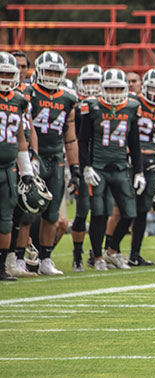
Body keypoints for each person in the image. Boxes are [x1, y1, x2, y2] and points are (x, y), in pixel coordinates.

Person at [79, 68, 146, 271]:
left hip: (120, 166)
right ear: (102, 88)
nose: (115, 93)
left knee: (130, 213)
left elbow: (134, 143)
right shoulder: (92, 106)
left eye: (118, 88)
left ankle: (112, 250)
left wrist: (139, 171)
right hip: (98, 166)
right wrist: (86, 166)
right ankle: (98, 256)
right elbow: (83, 140)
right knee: (99, 213)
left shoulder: (132, 107)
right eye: (110, 88)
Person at [30, 51, 81, 275]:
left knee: (52, 213)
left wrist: (76, 167)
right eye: (48, 71)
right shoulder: (28, 93)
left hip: (56, 158)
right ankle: (19, 256)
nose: (51, 75)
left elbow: (70, 138)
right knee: (25, 211)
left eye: (55, 72)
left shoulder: (68, 98)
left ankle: (45, 258)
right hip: (34, 157)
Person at [126, 68, 155, 266]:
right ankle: (107, 251)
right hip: (131, 158)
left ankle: (135, 253)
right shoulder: (133, 103)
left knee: (143, 209)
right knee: (125, 209)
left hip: (151, 161)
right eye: (151, 88)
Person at [0, 52, 35, 281]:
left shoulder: (19, 99)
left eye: (8, 74)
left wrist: (28, 171)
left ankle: (2, 265)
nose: (5, 77)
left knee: (6, 219)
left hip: (9, 167)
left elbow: (21, 138)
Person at [70, 63, 104, 272]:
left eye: (95, 82)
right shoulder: (74, 107)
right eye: (87, 82)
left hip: (102, 164)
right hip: (83, 165)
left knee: (101, 211)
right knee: (82, 211)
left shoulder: (106, 106)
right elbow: (73, 139)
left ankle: (97, 253)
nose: (91, 87)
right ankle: (77, 255)